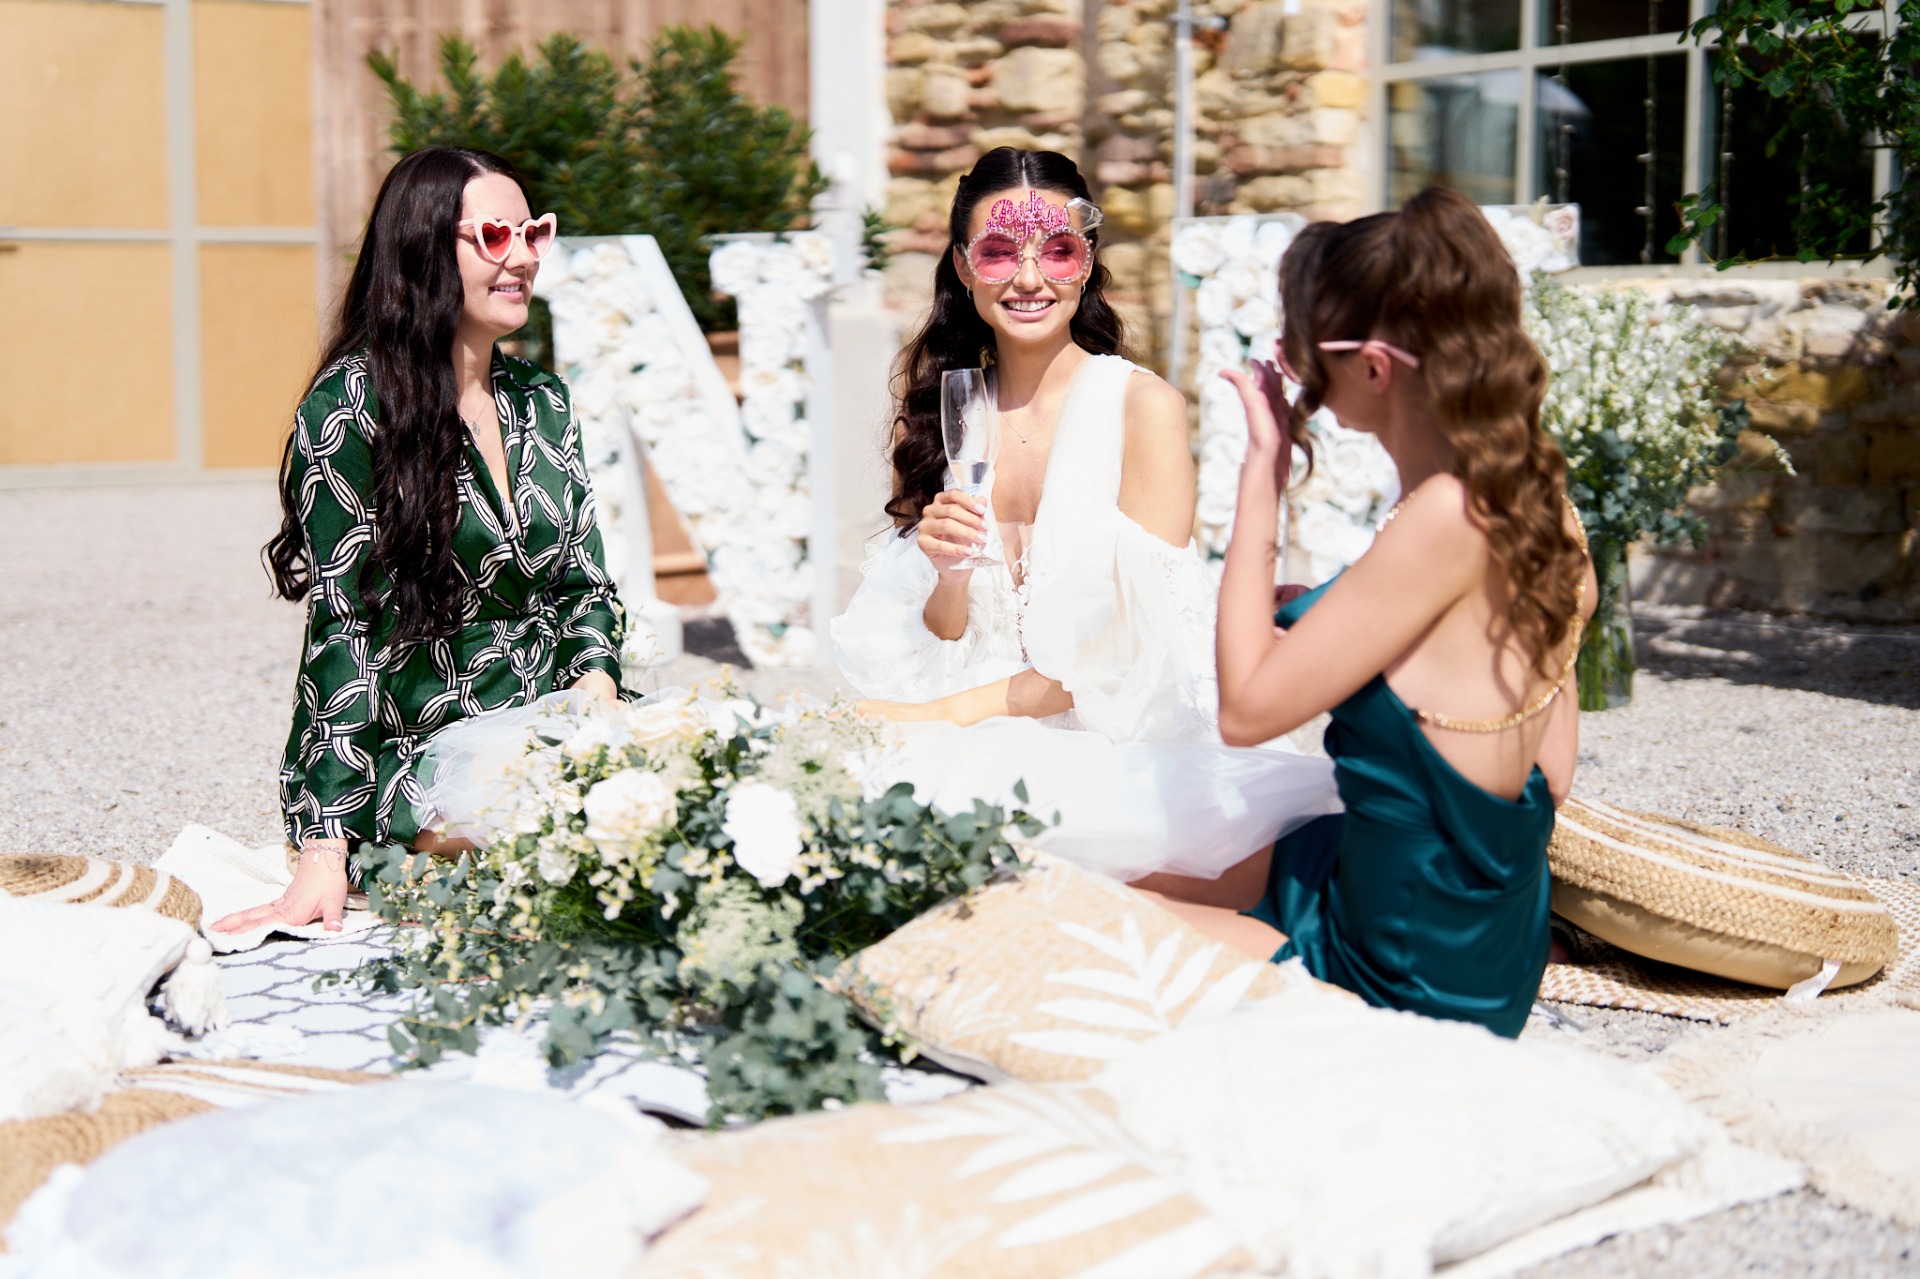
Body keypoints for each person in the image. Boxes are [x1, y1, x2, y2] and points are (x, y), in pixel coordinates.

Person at [1132, 187, 1598, 1038]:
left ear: (1376, 367)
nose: (1299, 375)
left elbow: (1247, 711)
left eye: (1306, 354)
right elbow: (1551, 771)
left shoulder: (1445, 516)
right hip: (1483, 935)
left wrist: (1264, 470)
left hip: (1395, 966)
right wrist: (1341, 630)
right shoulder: (1536, 502)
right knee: (1133, 859)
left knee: (1061, 913)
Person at [834, 148, 1340, 879]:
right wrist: (947, 577)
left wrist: (928, 720)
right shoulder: (942, 414)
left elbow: (1124, 656)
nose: (1029, 279)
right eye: (999, 252)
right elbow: (939, 639)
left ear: (1088, 260)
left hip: (1115, 738)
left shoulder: (1142, 408)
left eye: (1057, 251)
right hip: (965, 717)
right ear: (964, 265)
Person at [211, 147, 622, 936]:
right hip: (417, 750)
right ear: (425, 247)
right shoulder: (350, 407)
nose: (523, 258)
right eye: (495, 236)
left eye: (534, 232)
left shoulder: (542, 399)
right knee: (558, 851)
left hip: (551, 719)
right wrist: (324, 846)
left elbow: (585, 585)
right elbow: (346, 626)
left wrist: (598, 684)